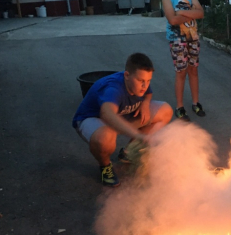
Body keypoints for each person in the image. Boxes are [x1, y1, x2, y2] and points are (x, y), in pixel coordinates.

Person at [72, 53, 173, 187]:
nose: (145, 85)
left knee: (165, 110)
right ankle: (105, 166)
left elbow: (148, 92)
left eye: (148, 80)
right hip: (91, 119)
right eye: (141, 81)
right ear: (126, 75)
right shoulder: (113, 88)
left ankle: (128, 153)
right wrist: (137, 134)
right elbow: (107, 114)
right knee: (105, 137)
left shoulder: (140, 80)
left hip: (121, 115)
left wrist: (146, 103)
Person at [162, 0, 205, 122]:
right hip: (177, 40)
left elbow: (201, 13)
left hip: (193, 39)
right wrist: (191, 13)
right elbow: (172, 20)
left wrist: (181, 11)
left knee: (193, 70)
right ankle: (179, 107)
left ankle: (196, 103)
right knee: (181, 72)